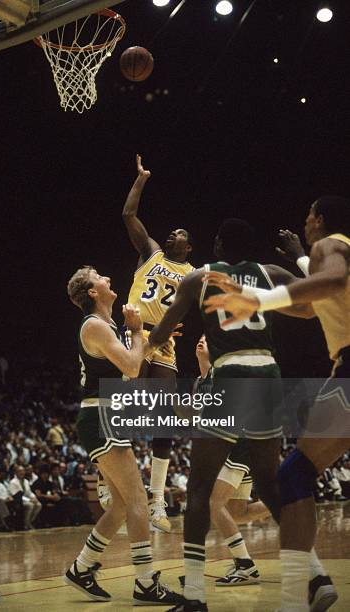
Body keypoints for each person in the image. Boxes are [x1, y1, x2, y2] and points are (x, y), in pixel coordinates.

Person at [146, 218, 327, 612]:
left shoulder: (201, 277)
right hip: (268, 373)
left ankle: (194, 595)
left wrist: (144, 340)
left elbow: (162, 332)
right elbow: (311, 311)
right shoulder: (270, 271)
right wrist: (299, 255)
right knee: (270, 483)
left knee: (198, 490)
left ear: (222, 246)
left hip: (230, 374)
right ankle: (315, 575)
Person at [203, 196, 350, 612]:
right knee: (293, 475)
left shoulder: (330, 247)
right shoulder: (330, 252)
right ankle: (308, 587)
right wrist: (253, 290)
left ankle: (294, 600)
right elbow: (308, 308)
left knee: (294, 476)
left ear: (320, 219)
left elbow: (334, 280)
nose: (304, 223)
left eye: (307, 216)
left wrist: (256, 301)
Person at [65, 265, 181, 605]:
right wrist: (137, 333)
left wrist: (154, 336)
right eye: (100, 276)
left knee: (119, 506)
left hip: (103, 415)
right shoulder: (96, 326)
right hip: (102, 414)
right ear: (92, 292)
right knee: (138, 501)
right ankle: (145, 583)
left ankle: (82, 567)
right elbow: (132, 367)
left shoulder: (105, 327)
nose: (108, 278)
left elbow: (132, 362)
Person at [123, 154, 194, 532]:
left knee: (164, 417)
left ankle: (157, 502)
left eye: (179, 233)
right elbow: (129, 217)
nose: (171, 235)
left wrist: (176, 322)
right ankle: (108, 480)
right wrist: (142, 180)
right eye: (170, 232)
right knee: (123, 404)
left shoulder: (193, 274)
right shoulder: (150, 252)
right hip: (134, 330)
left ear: (190, 246)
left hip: (164, 339)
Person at [195, 335, 270, 587]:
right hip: (232, 445)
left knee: (212, 504)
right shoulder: (202, 381)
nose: (202, 341)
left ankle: (245, 565)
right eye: (201, 338)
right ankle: (286, 500)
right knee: (237, 512)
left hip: (238, 442)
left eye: (207, 339)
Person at [8, 465, 42, 530]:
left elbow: (29, 492)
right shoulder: (13, 482)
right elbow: (16, 495)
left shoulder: (26, 481)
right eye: (19, 471)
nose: (22, 473)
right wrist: (29, 500)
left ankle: (29, 522)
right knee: (30, 505)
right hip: (17, 501)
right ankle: (26, 524)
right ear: (16, 472)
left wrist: (34, 497)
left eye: (23, 471)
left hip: (26, 499)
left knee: (39, 505)